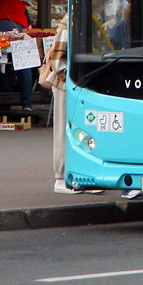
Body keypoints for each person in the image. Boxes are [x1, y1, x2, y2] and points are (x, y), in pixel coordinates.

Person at [42, 22, 107, 196]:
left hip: (80, 85)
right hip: (66, 86)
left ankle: (83, 176)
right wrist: (72, 80)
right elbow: (57, 60)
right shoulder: (68, 21)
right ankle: (60, 178)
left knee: (83, 131)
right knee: (64, 131)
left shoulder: (88, 16)